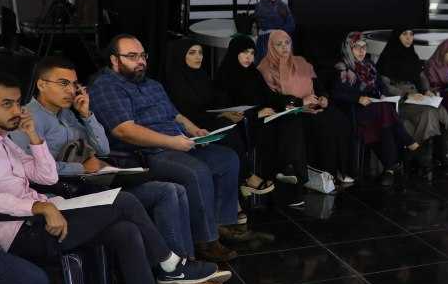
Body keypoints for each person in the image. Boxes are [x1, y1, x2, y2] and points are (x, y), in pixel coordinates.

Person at [0, 73, 220, 284]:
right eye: (7, 104)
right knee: (124, 201)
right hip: (20, 233)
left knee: (124, 230)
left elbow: (46, 176)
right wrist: (41, 208)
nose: (16, 111)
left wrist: (34, 137)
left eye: (18, 103)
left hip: (42, 217)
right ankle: (171, 264)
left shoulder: (2, 140)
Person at [9, 56, 230, 264]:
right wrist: (81, 167)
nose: (70, 90)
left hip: (93, 182)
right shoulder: (27, 119)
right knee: (166, 191)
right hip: (63, 192)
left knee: (173, 189)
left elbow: (102, 149)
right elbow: (31, 169)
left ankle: (185, 262)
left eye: (74, 84)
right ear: (42, 84)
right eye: (63, 83)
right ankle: (173, 268)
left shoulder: (67, 114)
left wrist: (86, 115)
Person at [88, 35, 250, 259]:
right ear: (115, 60)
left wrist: (195, 130)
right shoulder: (106, 86)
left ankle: (220, 224)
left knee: (227, 159)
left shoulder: (152, 84)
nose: (140, 61)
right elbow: (124, 130)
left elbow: (176, 115)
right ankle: (206, 241)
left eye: (142, 56)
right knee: (197, 171)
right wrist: (172, 142)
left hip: (178, 143)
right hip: (146, 152)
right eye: (132, 56)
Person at [163, 39, 277, 198]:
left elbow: (214, 101)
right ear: (181, 55)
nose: (198, 57)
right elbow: (185, 113)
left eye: (200, 53)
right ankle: (247, 177)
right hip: (190, 128)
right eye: (192, 53)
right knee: (229, 129)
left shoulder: (201, 75)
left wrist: (226, 111)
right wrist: (220, 115)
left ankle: (244, 183)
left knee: (232, 125)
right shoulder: (173, 82)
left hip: (209, 120)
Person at [216, 34, 314, 203]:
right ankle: (284, 180)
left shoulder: (253, 73)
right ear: (234, 53)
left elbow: (270, 96)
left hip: (265, 117)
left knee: (292, 120)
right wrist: (256, 114)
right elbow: (227, 111)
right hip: (245, 125)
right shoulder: (224, 77)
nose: (249, 57)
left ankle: (291, 175)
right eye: (244, 52)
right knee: (276, 132)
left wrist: (294, 102)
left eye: (252, 53)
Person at [258, 29, 356, 190]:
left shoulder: (301, 62)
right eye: (279, 44)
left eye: (287, 43)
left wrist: (323, 97)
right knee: (320, 125)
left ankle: (339, 170)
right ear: (271, 46)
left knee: (339, 119)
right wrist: (300, 102)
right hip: (290, 110)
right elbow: (272, 99)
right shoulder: (265, 68)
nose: (284, 47)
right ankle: (318, 175)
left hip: (312, 105)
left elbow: (318, 86)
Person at [332, 32, 419, 186]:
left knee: (385, 119)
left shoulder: (369, 65)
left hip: (374, 107)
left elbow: (381, 86)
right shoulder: (342, 67)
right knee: (385, 110)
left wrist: (383, 95)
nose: (362, 51)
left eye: (364, 47)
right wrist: (357, 98)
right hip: (354, 109)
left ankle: (389, 169)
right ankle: (408, 141)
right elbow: (338, 92)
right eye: (357, 47)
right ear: (348, 48)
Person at [376, 27, 448, 171]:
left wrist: (426, 90)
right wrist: (406, 95)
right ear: (397, 36)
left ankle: (439, 156)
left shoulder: (412, 55)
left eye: (411, 34)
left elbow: (421, 76)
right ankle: (417, 155)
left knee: (440, 109)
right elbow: (384, 85)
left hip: (416, 96)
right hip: (400, 100)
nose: (408, 38)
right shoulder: (387, 57)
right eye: (404, 34)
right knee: (429, 113)